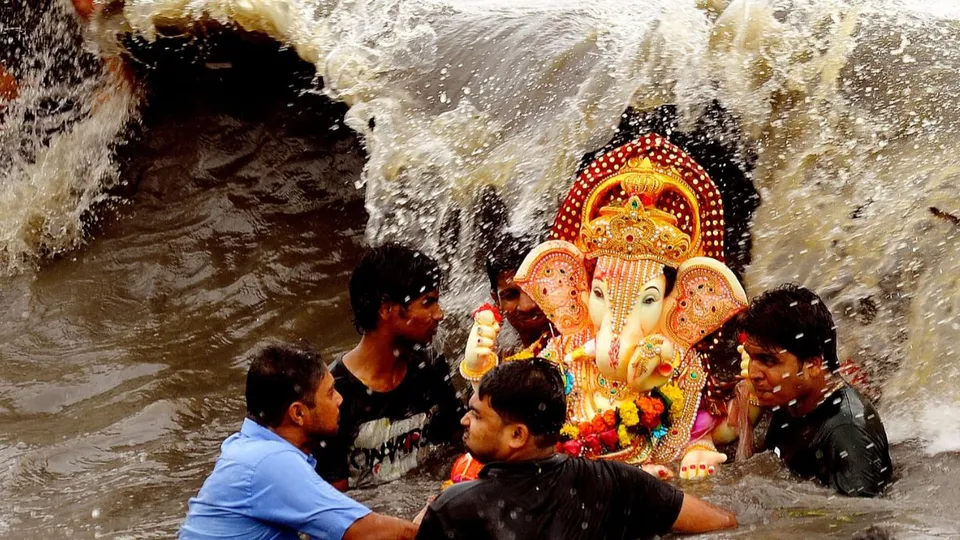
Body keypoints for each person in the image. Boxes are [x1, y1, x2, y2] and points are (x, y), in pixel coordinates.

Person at [418, 359, 738, 540]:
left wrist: (425, 519)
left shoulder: (457, 509)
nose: (463, 420)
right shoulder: (616, 481)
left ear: (517, 435)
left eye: (475, 414)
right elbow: (723, 522)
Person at [180, 342, 419, 539]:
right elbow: (364, 532)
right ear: (298, 413)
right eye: (330, 393)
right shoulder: (271, 462)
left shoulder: (248, 449)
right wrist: (435, 521)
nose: (339, 400)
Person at [315, 243, 464, 491]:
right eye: (428, 303)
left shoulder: (430, 368)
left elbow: (457, 444)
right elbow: (334, 500)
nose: (440, 314)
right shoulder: (336, 394)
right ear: (386, 308)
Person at [737, 283, 893, 497]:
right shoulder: (790, 400)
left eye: (768, 360)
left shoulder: (848, 431)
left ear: (813, 365)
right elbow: (749, 475)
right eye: (751, 357)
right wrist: (744, 425)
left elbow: (859, 519)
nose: (753, 373)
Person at [483, 234, 552, 353]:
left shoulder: (585, 349)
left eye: (536, 290)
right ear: (496, 300)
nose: (527, 306)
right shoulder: (494, 358)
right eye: (510, 296)